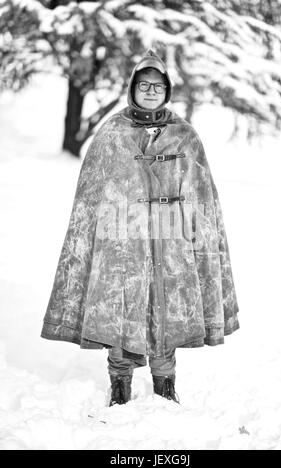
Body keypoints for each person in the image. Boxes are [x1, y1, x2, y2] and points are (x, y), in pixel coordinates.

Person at [41, 49, 240, 407]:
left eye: (157, 85)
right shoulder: (111, 134)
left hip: (172, 242)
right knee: (123, 308)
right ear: (132, 88)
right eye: (143, 84)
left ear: (168, 90)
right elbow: (91, 198)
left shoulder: (184, 136)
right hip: (121, 242)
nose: (150, 90)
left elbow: (203, 197)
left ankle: (165, 386)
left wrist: (192, 233)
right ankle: (120, 387)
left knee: (166, 312)